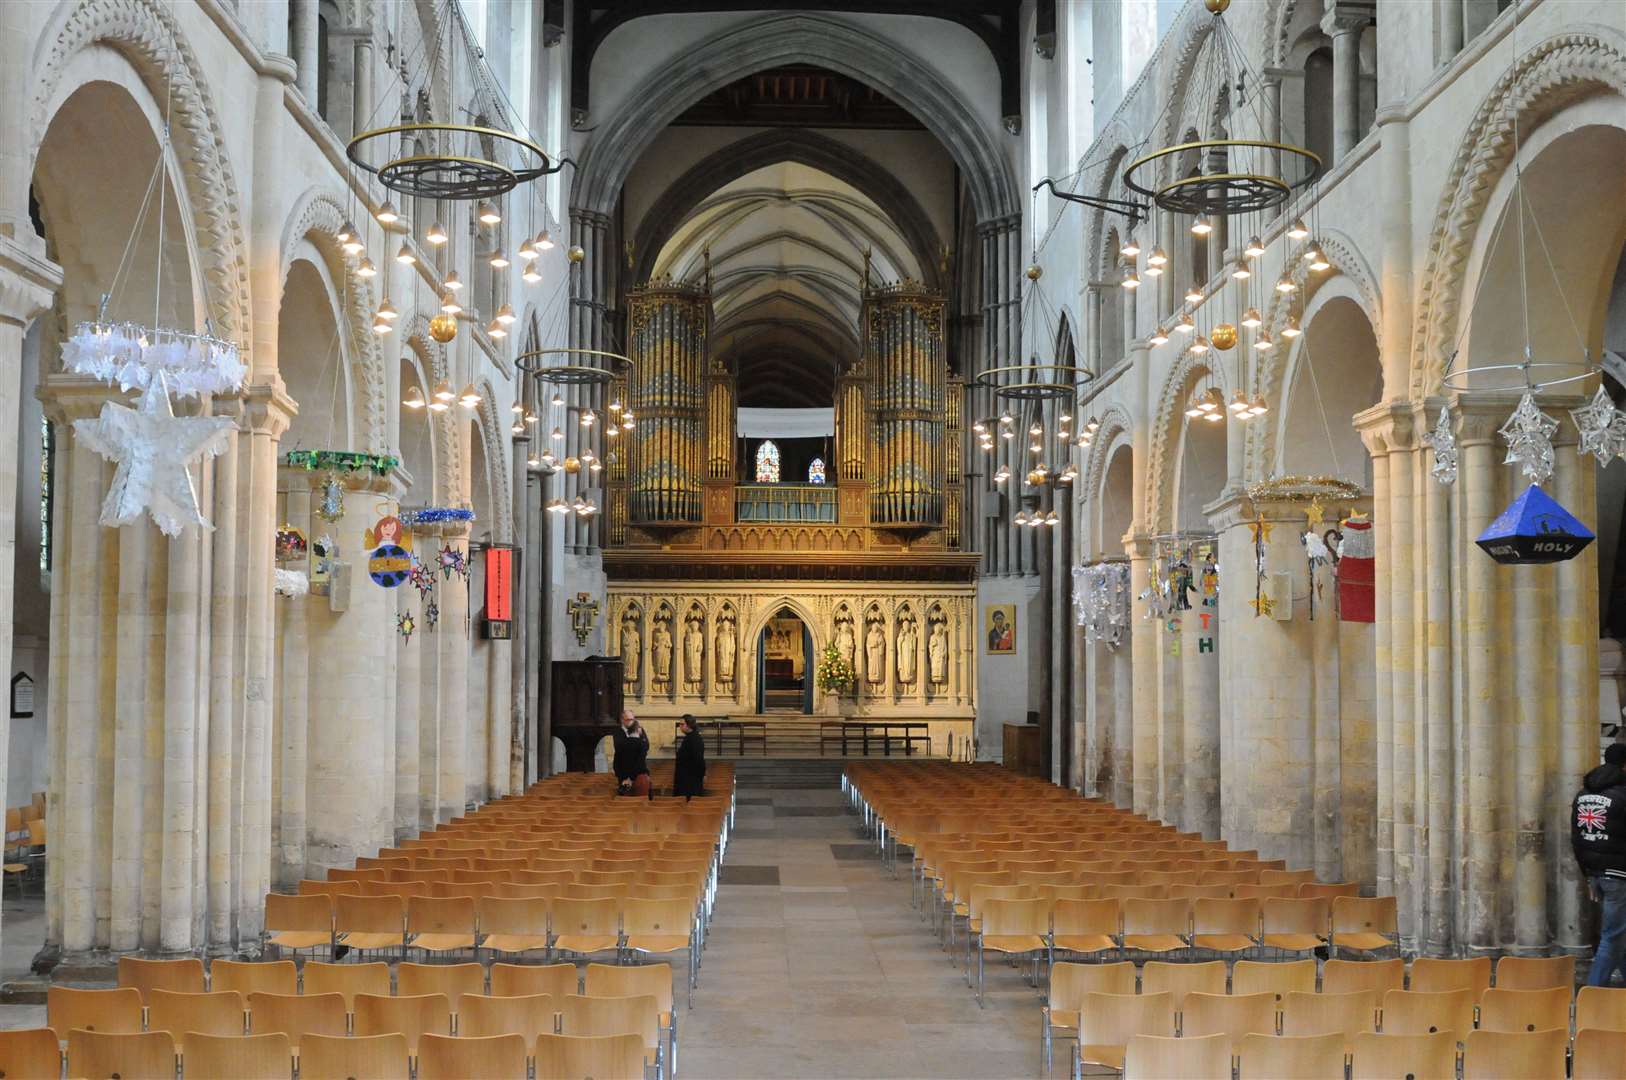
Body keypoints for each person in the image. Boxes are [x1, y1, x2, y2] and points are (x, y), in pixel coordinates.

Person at [1573, 742, 1626, 986]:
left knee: (1619, 931)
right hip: (1618, 874)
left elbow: (1576, 837)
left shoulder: (1583, 795)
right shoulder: (1623, 794)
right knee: (1612, 935)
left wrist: (1588, 874)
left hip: (1597, 873)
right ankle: (1592, 993)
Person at [612, 709, 652, 799]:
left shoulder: (640, 730)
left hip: (637, 774)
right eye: (629, 719)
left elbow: (646, 746)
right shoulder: (618, 732)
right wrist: (623, 777)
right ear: (622, 720)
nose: (631, 721)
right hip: (624, 774)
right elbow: (618, 752)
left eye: (632, 719)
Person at [673, 714, 707, 800]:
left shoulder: (694, 739)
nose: (680, 726)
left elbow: (699, 760)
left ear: (689, 725)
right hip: (686, 779)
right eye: (679, 724)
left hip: (690, 781)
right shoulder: (689, 738)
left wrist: (702, 775)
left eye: (682, 724)